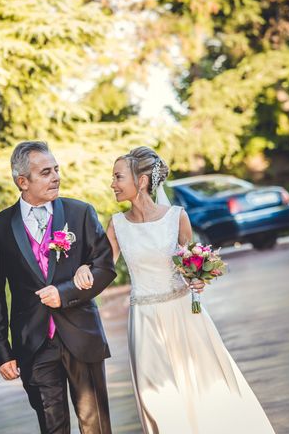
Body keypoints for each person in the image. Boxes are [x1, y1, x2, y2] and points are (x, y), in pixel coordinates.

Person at [73, 146, 275, 433]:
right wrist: (83, 268)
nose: (112, 184)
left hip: (185, 317)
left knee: (205, 391)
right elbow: (101, 266)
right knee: (157, 399)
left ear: (141, 181)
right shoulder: (117, 225)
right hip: (145, 321)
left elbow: (191, 263)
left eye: (118, 177)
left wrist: (199, 279)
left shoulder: (176, 217)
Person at [0, 141, 116, 434]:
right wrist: (2, 351)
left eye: (56, 169)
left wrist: (66, 293)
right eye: (45, 172)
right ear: (22, 181)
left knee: (96, 427)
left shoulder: (80, 213)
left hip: (82, 337)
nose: (56, 176)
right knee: (52, 428)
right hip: (33, 344)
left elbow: (105, 267)